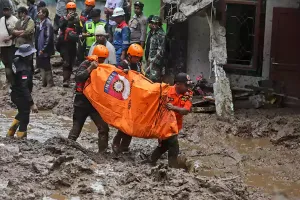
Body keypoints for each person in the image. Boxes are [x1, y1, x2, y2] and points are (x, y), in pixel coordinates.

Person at [68, 45, 110, 152]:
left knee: (104, 128)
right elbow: (78, 78)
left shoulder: (103, 68)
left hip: (94, 104)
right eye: (100, 59)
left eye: (103, 59)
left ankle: (103, 152)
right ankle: (67, 149)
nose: (101, 61)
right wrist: (90, 68)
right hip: (81, 103)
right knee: (76, 130)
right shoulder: (85, 64)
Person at [147, 73, 193, 168]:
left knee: (164, 145)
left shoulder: (188, 94)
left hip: (176, 124)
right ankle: (173, 166)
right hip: (164, 123)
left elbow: (186, 110)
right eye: (186, 85)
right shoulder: (166, 91)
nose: (188, 88)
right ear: (178, 84)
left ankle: (151, 160)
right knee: (174, 144)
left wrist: (173, 108)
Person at [112, 43, 143, 154]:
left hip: (135, 98)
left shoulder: (138, 65)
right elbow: (115, 77)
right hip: (124, 97)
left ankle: (124, 146)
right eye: (135, 57)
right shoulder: (123, 64)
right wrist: (123, 73)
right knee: (125, 123)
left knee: (132, 123)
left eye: (139, 57)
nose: (137, 59)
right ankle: (116, 143)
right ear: (129, 56)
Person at [7, 44, 38, 139]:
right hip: (21, 95)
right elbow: (24, 87)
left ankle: (10, 133)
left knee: (21, 112)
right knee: (25, 116)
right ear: (27, 56)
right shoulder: (24, 70)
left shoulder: (16, 61)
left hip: (14, 93)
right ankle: (21, 138)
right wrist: (31, 103)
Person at [58, 1, 80, 87]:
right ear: (67, 10)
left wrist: (78, 22)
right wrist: (66, 19)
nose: (71, 11)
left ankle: (69, 78)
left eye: (73, 9)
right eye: (69, 10)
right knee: (66, 61)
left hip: (73, 43)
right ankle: (65, 80)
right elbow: (60, 26)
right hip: (64, 43)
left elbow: (80, 29)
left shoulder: (77, 19)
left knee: (71, 61)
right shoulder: (63, 18)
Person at [35, 7, 55, 87]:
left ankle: (50, 82)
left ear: (44, 14)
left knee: (46, 65)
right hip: (40, 47)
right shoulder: (40, 23)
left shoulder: (48, 23)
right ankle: (44, 82)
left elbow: (48, 37)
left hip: (45, 48)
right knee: (41, 64)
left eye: (40, 12)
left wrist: (43, 49)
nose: (38, 14)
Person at [13, 7, 35, 73]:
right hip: (19, 45)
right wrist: (20, 32)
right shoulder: (18, 22)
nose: (18, 15)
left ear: (23, 13)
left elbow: (28, 31)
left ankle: (29, 77)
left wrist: (18, 32)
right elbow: (13, 30)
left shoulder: (30, 21)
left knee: (28, 62)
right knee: (20, 62)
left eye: (19, 13)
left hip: (27, 46)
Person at [0, 4, 18, 85]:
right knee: (5, 62)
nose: (6, 12)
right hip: (2, 45)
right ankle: (8, 78)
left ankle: (14, 79)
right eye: (4, 10)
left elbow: (17, 32)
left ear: (10, 11)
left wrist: (9, 38)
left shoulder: (14, 20)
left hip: (11, 45)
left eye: (7, 10)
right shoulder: (1, 19)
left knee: (12, 62)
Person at [147, 15, 165, 83]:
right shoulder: (153, 33)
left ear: (159, 24)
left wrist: (154, 60)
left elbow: (161, 50)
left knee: (154, 80)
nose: (154, 25)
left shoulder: (161, 35)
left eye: (156, 23)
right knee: (147, 77)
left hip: (156, 62)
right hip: (151, 60)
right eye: (153, 23)